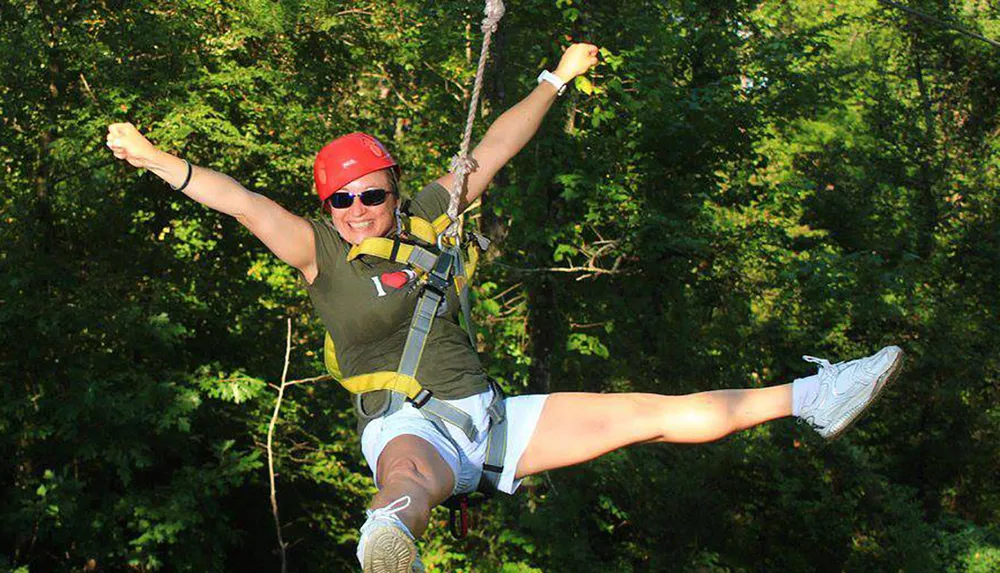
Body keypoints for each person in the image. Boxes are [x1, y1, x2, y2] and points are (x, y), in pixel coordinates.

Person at [106, 42, 903, 573]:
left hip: (490, 420)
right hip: (407, 421)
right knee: (409, 475)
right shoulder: (320, 252)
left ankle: (815, 397)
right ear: (326, 203)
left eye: (369, 192)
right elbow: (240, 201)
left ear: (392, 186)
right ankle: (388, 533)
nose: (356, 208)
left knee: (652, 413)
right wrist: (153, 159)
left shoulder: (427, 214)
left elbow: (494, 147)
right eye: (339, 197)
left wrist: (556, 76)